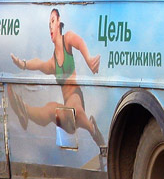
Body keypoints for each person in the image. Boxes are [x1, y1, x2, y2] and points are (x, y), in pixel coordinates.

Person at [8, 8, 105, 148]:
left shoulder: (68, 39)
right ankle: (24, 111)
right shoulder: (53, 64)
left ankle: (93, 130)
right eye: (49, 25)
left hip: (76, 97)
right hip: (67, 116)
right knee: (50, 109)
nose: (51, 27)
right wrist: (23, 64)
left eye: (53, 21)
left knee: (74, 109)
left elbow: (80, 43)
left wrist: (89, 60)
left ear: (59, 22)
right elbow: (39, 64)